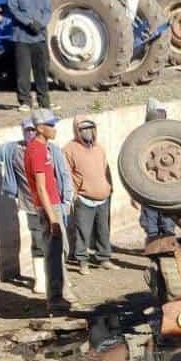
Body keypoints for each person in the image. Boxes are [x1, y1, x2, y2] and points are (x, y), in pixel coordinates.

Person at [0, 118, 73, 295]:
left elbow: (63, 174)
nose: (31, 133)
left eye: (33, 130)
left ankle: (60, 281)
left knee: (61, 244)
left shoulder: (52, 150)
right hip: (32, 206)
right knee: (39, 243)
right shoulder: (12, 150)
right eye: (28, 130)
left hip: (55, 204)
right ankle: (42, 281)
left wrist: (67, 201)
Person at [24, 108, 74, 312]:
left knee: (59, 251)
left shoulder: (42, 148)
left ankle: (59, 294)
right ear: (39, 128)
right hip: (48, 207)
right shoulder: (36, 151)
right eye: (50, 125)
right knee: (53, 254)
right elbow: (41, 187)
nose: (54, 129)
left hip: (51, 205)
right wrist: (53, 218)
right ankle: (55, 299)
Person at [64, 115, 115, 276]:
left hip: (103, 197)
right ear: (76, 131)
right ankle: (83, 261)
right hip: (84, 198)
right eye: (83, 129)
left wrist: (110, 187)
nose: (87, 132)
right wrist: (73, 194)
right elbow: (66, 173)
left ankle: (103, 258)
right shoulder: (69, 149)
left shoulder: (99, 148)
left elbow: (106, 169)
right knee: (82, 232)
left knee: (103, 229)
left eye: (89, 128)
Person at [7, 0, 57, 113]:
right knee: (23, 72)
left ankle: (44, 102)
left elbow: (48, 10)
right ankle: (25, 102)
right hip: (21, 37)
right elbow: (14, 10)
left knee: (41, 71)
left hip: (39, 37)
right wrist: (29, 23)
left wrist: (40, 24)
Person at [137, 99, 177, 242]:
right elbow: (134, 167)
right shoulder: (140, 138)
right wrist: (134, 194)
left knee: (168, 225)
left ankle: (169, 258)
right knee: (152, 228)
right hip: (148, 191)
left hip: (167, 190)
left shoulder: (171, 136)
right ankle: (156, 262)